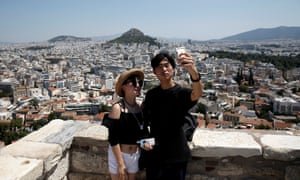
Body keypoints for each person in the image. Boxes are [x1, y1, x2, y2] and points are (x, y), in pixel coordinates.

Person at [141, 50, 203, 180]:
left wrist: (193, 71)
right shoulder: (151, 95)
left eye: (166, 65)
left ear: (173, 69)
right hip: (155, 154)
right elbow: (144, 121)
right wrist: (143, 141)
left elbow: (197, 94)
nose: (163, 69)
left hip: (177, 154)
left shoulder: (181, 93)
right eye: (159, 66)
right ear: (154, 71)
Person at [106, 68, 146, 180]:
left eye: (139, 82)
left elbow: (141, 134)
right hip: (119, 156)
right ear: (123, 87)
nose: (137, 85)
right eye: (133, 82)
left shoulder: (140, 108)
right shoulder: (117, 108)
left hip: (134, 156)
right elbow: (113, 139)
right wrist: (120, 163)